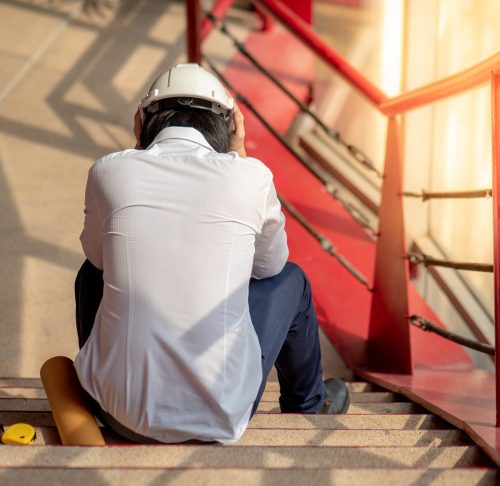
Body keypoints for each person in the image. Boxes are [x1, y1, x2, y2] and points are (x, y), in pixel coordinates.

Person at [73, 63, 349, 444]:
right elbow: (270, 266)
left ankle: (110, 380)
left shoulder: (108, 171)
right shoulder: (251, 177)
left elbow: (97, 258)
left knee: (91, 272)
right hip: (221, 413)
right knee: (292, 280)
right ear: (231, 124)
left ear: (141, 120)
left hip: (116, 412)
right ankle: (306, 407)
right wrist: (239, 157)